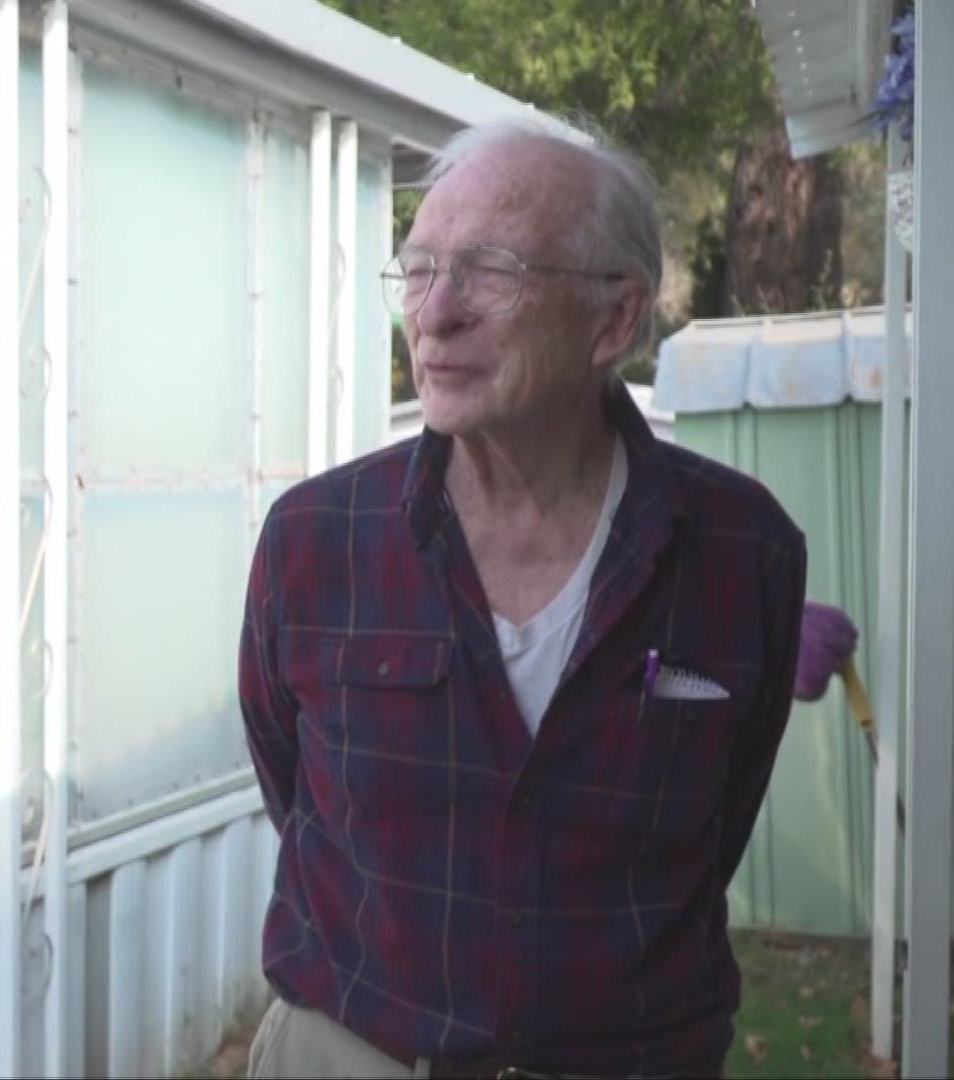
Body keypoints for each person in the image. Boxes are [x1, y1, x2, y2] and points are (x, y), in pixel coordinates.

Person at [237, 117, 807, 1079]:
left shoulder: (741, 552)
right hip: (350, 1055)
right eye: (419, 270)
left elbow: (718, 824)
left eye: (489, 272)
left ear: (613, 321)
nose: (434, 314)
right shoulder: (314, 541)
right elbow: (290, 787)